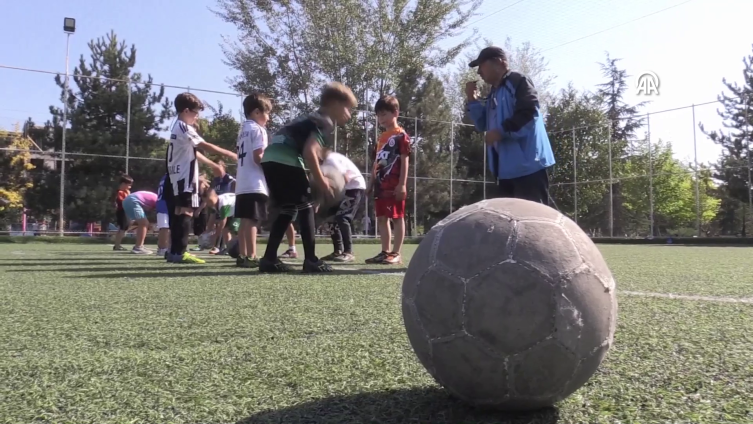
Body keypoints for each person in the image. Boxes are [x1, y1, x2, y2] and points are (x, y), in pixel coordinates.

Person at [259, 82, 358, 273]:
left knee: (287, 209)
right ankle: (311, 260)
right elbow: (310, 152)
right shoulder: (324, 121)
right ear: (334, 103)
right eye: (347, 108)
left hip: (270, 158)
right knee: (305, 207)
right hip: (286, 160)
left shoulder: (309, 117)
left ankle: (269, 258)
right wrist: (321, 180)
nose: (349, 114)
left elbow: (308, 150)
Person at [465, 46, 555, 204]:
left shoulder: (518, 81)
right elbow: (483, 125)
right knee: (508, 225)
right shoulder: (494, 92)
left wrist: (501, 131)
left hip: (528, 168)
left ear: (499, 62)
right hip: (505, 172)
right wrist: (472, 100)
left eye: (482, 65)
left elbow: (529, 113)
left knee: (533, 222)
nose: (479, 72)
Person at [165, 92, 237, 264]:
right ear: (186, 110)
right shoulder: (184, 127)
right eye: (196, 112)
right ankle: (180, 253)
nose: (197, 116)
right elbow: (204, 145)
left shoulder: (178, 127)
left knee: (179, 213)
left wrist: (212, 165)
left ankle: (173, 251)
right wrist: (231, 154)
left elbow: (194, 153)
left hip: (178, 177)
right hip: (184, 177)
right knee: (186, 212)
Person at [365, 95, 411, 265]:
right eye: (378, 115)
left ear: (395, 113)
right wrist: (370, 183)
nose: (380, 119)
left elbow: (405, 159)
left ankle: (396, 253)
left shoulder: (401, 136)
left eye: (384, 114)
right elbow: (377, 162)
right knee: (382, 218)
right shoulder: (381, 138)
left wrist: (402, 184)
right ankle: (385, 252)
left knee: (397, 217)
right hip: (380, 185)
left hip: (394, 185)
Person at [234, 93, 273, 268]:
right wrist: (273, 168)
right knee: (252, 220)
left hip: (242, 182)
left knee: (244, 220)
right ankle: (252, 255)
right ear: (257, 112)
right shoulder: (258, 129)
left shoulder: (243, 129)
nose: (268, 118)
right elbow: (259, 156)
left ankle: (242, 255)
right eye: (267, 113)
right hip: (254, 182)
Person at [319, 150, 366, 262]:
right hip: (343, 191)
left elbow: (345, 177)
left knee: (343, 217)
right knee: (330, 217)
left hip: (354, 188)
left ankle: (348, 252)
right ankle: (337, 251)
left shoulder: (331, 159)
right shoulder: (324, 162)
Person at [207, 161, 236, 254]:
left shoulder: (227, 178)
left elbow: (235, 186)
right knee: (221, 228)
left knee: (226, 227)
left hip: (227, 204)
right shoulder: (215, 180)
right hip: (217, 205)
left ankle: (225, 247)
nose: (215, 169)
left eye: (217, 167)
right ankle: (224, 247)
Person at [112, 175, 133, 251]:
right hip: (122, 212)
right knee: (123, 228)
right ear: (123, 184)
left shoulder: (126, 192)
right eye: (128, 185)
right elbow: (122, 201)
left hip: (126, 211)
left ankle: (117, 245)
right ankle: (117, 246)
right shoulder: (120, 192)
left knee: (124, 228)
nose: (130, 186)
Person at [156, 173, 171, 257]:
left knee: (164, 228)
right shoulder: (170, 176)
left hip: (161, 203)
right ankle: (162, 249)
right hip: (165, 204)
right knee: (165, 228)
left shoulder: (164, 177)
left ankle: (163, 248)